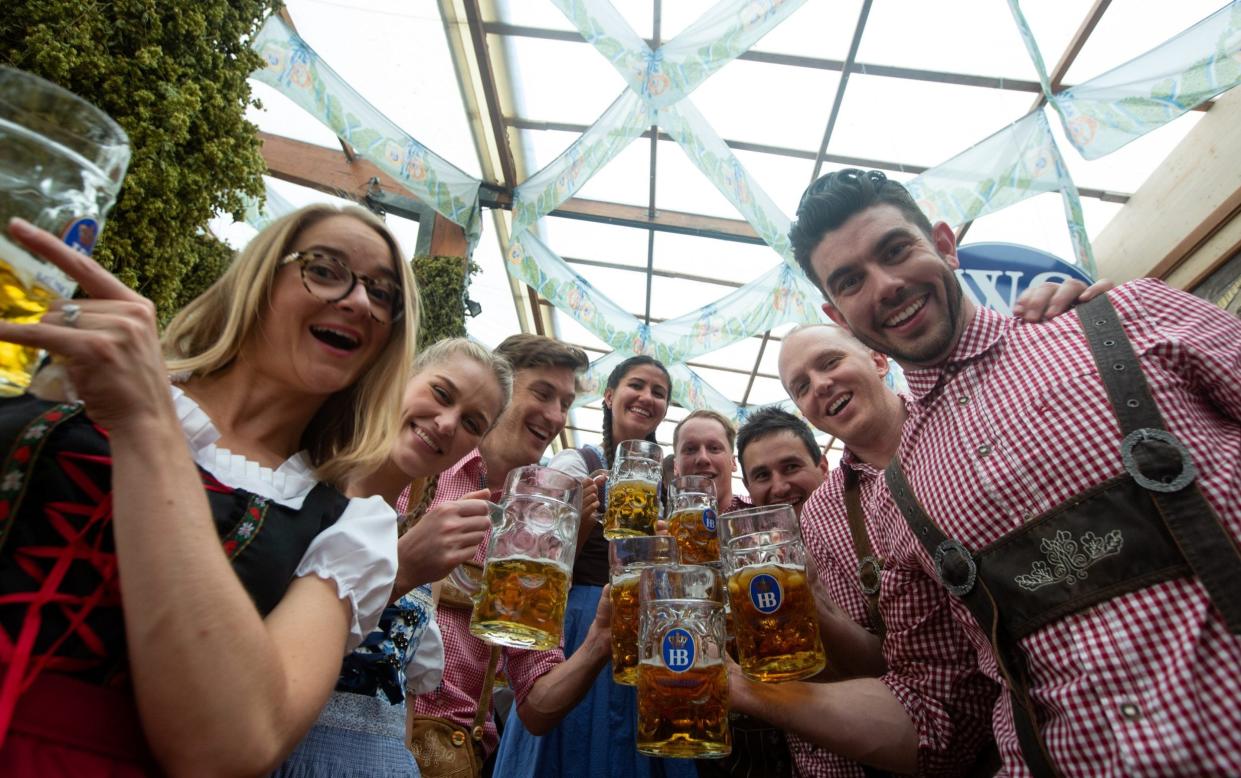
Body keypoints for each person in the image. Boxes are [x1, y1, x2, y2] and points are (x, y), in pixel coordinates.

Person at [774, 167, 1241, 776]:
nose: (885, 286)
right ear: (839, 312)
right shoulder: (903, 488)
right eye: (852, 280)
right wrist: (735, 685)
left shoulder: (1120, 318)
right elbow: (939, 708)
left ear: (944, 243)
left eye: (895, 250)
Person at [0, 205, 418, 776]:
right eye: (324, 269)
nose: (358, 302)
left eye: (383, 294)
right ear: (260, 279)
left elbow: (232, 747)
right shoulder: (91, 369)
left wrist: (148, 424)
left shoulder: (351, 527)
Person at [273, 338, 513, 777]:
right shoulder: (305, 487)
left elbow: (397, 694)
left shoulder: (422, 542)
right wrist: (400, 571)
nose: (446, 423)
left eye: (471, 423)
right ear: (402, 380)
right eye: (441, 393)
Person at [410, 334, 616, 775]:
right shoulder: (423, 464)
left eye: (565, 403)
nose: (557, 416)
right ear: (500, 388)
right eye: (543, 393)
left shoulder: (542, 527)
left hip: (455, 758)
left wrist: (600, 642)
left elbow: (537, 706)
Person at [494, 355, 698, 778]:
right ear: (609, 396)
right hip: (580, 622)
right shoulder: (576, 462)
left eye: (658, 392)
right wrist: (582, 526)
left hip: (647, 630)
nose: (647, 397)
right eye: (636, 386)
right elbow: (535, 562)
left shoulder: (669, 484)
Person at [672, 409, 749, 514]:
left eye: (714, 448)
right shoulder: (660, 527)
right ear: (675, 466)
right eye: (690, 449)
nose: (703, 458)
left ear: (733, 462)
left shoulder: (761, 516)